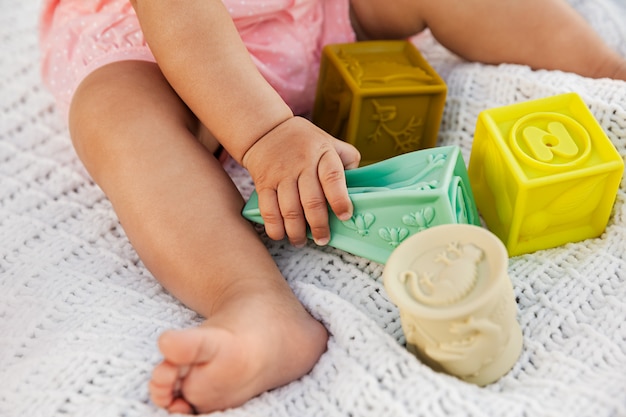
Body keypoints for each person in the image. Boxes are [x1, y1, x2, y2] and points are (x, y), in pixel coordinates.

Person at [39, 0, 626, 413]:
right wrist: (266, 133)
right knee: (116, 119)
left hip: (317, 10)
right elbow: (180, 19)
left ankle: (608, 72)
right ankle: (253, 301)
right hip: (156, 45)